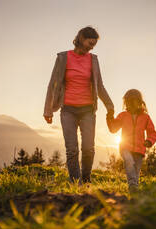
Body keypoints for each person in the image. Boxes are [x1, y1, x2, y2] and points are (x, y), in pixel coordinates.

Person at [43, 26, 114, 183]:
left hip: (88, 110)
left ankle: (86, 180)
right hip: (68, 109)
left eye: (94, 45)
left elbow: (99, 86)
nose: (91, 47)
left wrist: (110, 105)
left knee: (88, 148)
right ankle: (76, 182)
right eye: (90, 43)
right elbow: (53, 84)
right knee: (72, 149)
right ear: (81, 38)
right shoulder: (63, 57)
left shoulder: (93, 60)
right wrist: (48, 110)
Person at [106, 89, 156, 193]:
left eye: (133, 101)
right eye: (128, 102)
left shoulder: (146, 117)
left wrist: (149, 141)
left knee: (136, 172)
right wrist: (109, 118)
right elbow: (113, 129)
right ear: (126, 103)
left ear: (139, 102)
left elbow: (153, 133)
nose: (131, 104)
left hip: (140, 150)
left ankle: (134, 191)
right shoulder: (123, 115)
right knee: (129, 162)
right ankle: (132, 186)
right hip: (125, 147)